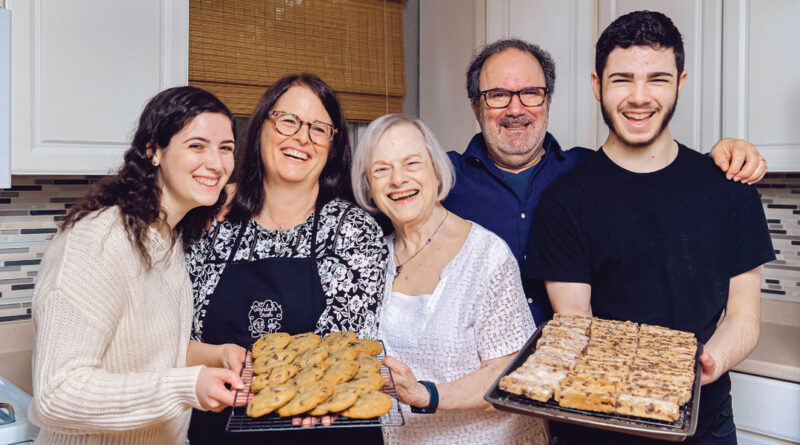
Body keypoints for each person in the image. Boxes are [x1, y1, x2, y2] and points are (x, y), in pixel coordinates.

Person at [528, 11, 774, 444]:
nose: (639, 97)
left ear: (680, 83)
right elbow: (577, 324)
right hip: (598, 427)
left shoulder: (731, 189)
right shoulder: (565, 201)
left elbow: (743, 316)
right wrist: (646, 386)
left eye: (657, 79)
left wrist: (706, 363)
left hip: (704, 423)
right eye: (622, 79)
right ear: (596, 85)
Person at [443, 38, 769, 324]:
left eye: (531, 93)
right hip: (473, 382)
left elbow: (660, 170)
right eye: (498, 95)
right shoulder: (440, 181)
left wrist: (727, 153)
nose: (516, 109)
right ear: (476, 106)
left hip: (572, 378)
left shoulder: (586, 173)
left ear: (548, 101)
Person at [29, 86, 245, 444]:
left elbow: (149, 352)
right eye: (196, 145)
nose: (217, 164)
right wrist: (184, 387)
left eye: (226, 148)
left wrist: (216, 356)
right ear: (154, 151)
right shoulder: (98, 241)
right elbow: (57, 395)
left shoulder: (167, 238)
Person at [186, 73, 388, 444]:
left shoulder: (352, 230)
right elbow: (177, 340)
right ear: (261, 126)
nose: (301, 137)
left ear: (332, 145)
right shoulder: (210, 224)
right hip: (220, 429)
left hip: (326, 433)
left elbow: (345, 345)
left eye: (318, 128)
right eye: (288, 121)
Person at [351, 113, 548, 445]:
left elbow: (510, 376)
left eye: (412, 163)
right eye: (382, 169)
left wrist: (426, 394)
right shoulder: (368, 259)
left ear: (435, 169)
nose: (398, 179)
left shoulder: (486, 256)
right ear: (369, 185)